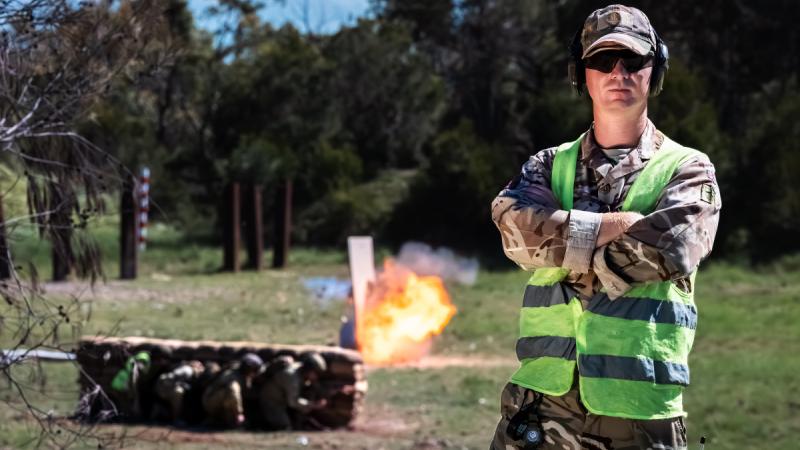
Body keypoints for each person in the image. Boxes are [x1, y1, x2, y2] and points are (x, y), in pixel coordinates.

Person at [490, 5, 720, 450]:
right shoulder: (547, 165)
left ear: (655, 71)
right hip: (540, 406)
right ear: (582, 74)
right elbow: (515, 235)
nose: (619, 72)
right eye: (602, 60)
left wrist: (561, 243)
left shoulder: (688, 169)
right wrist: (624, 225)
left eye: (633, 61)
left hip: (637, 415)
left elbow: (669, 251)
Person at [259, 352, 329, 430]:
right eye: (316, 373)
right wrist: (314, 405)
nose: (316, 376)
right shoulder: (291, 377)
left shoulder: (300, 370)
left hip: (283, 399)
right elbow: (293, 402)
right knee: (284, 427)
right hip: (272, 402)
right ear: (308, 370)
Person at [202, 353, 264, 428]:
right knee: (230, 397)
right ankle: (223, 420)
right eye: (254, 369)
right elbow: (234, 394)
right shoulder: (233, 377)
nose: (255, 373)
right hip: (211, 401)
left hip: (218, 398)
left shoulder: (241, 374)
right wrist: (239, 414)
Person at [153, 359, 205, 424]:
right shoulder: (187, 370)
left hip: (164, 385)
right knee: (179, 392)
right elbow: (171, 378)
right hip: (164, 385)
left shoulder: (188, 370)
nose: (201, 367)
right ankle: (176, 418)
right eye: (199, 365)